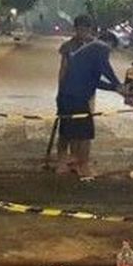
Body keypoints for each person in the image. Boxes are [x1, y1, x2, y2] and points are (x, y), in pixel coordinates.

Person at [55, 29, 121, 180]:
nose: (109, 53)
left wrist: (115, 88)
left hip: (66, 95)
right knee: (86, 133)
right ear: (109, 42)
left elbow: (95, 81)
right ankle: (83, 167)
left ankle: (63, 164)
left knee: (66, 130)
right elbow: (106, 69)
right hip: (77, 98)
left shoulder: (87, 52)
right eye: (111, 49)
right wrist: (118, 85)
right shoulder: (100, 46)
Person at [47, 15, 97, 168]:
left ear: (90, 30)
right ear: (75, 29)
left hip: (87, 94)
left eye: (86, 29)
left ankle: (81, 161)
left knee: (84, 131)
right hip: (69, 93)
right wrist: (61, 92)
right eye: (80, 29)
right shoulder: (68, 47)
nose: (83, 32)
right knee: (66, 127)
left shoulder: (95, 47)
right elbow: (63, 70)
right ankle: (62, 160)